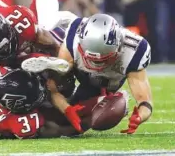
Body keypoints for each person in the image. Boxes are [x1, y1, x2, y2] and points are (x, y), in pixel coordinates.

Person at [22, 13, 152, 134]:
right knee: (58, 78)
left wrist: (140, 116)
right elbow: (53, 87)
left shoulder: (133, 52)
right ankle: (42, 53)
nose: (95, 64)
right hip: (75, 68)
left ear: (118, 48)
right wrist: (66, 108)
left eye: (102, 60)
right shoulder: (74, 39)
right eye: (91, 59)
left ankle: (110, 100)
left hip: (103, 83)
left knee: (85, 120)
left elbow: (145, 102)